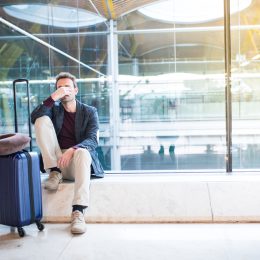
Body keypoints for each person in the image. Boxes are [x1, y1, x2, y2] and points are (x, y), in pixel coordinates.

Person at [31, 72, 104, 234]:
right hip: (56, 162)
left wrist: (73, 149)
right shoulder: (53, 110)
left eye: (67, 87)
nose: (64, 90)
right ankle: (55, 172)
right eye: (59, 88)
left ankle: (78, 211)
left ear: (75, 90)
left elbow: (93, 139)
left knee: (83, 152)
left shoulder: (89, 112)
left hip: (77, 163)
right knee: (41, 120)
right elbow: (34, 117)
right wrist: (52, 98)